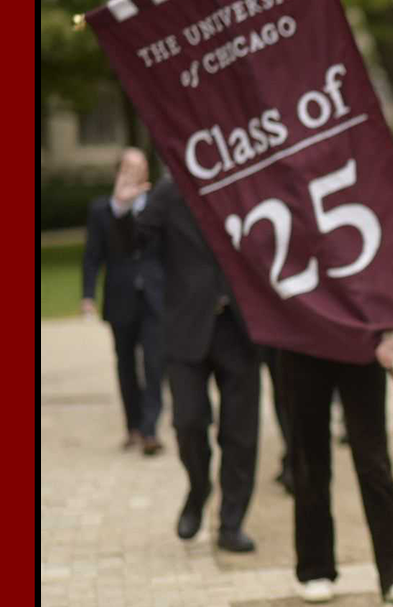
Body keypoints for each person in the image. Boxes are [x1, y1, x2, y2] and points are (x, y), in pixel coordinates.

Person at [120, 174, 261, 554]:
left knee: (241, 434)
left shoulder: (251, 180)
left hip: (242, 330)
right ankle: (199, 490)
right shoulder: (171, 190)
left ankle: (231, 522)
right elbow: (133, 241)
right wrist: (123, 208)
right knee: (188, 422)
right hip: (186, 329)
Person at [281, 335, 393, 607]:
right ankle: (314, 568)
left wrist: (389, 327)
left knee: (374, 462)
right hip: (300, 340)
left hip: (361, 339)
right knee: (309, 459)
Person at [82, 148, 165, 455]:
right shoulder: (103, 209)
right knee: (127, 364)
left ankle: (150, 429)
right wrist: (88, 295)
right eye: (130, 167)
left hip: (155, 297)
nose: (137, 172)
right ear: (119, 171)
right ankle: (132, 425)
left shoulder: (158, 203)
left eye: (142, 166)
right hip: (121, 297)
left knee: (156, 363)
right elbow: (93, 256)